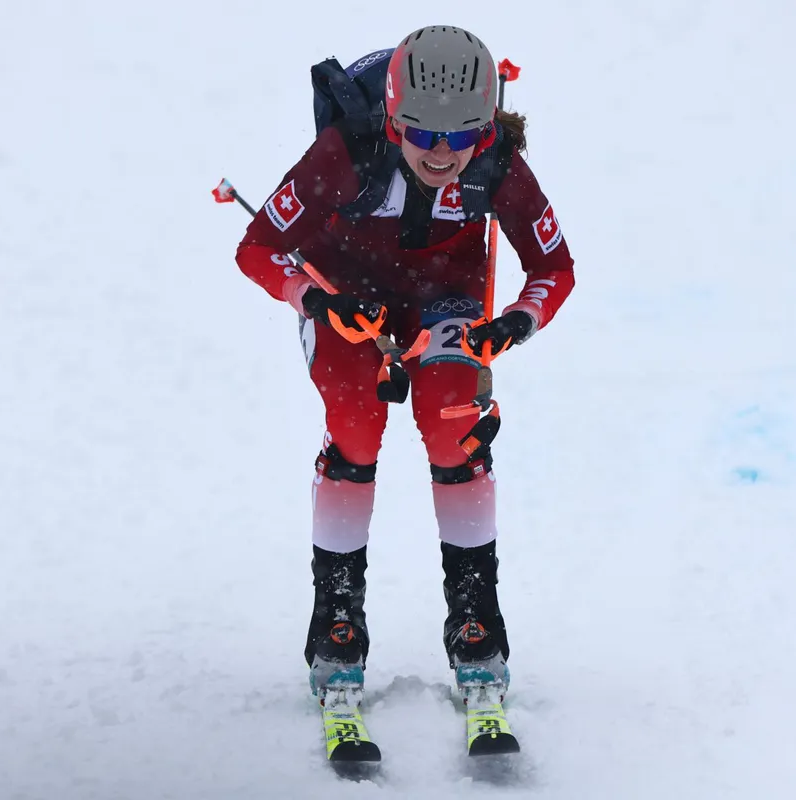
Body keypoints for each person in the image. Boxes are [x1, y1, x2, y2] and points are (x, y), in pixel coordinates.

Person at [233, 25, 575, 700]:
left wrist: (515, 322)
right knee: (356, 421)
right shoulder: (347, 149)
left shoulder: (497, 159)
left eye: (462, 134)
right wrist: (314, 301)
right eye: (422, 133)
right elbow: (257, 247)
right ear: (393, 119)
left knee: (455, 424)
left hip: (444, 298)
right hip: (347, 295)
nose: (443, 153)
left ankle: (476, 616)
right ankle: (337, 615)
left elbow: (553, 266)